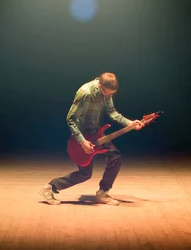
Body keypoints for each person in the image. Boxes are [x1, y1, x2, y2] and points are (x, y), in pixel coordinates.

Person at [38, 72, 144, 205]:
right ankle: (50, 187)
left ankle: (103, 193)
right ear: (100, 86)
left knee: (115, 156)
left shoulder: (107, 92)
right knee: (85, 174)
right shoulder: (85, 93)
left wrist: (129, 123)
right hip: (81, 136)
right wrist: (82, 141)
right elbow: (70, 119)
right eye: (107, 93)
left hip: (95, 133)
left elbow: (112, 112)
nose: (109, 96)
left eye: (111, 94)